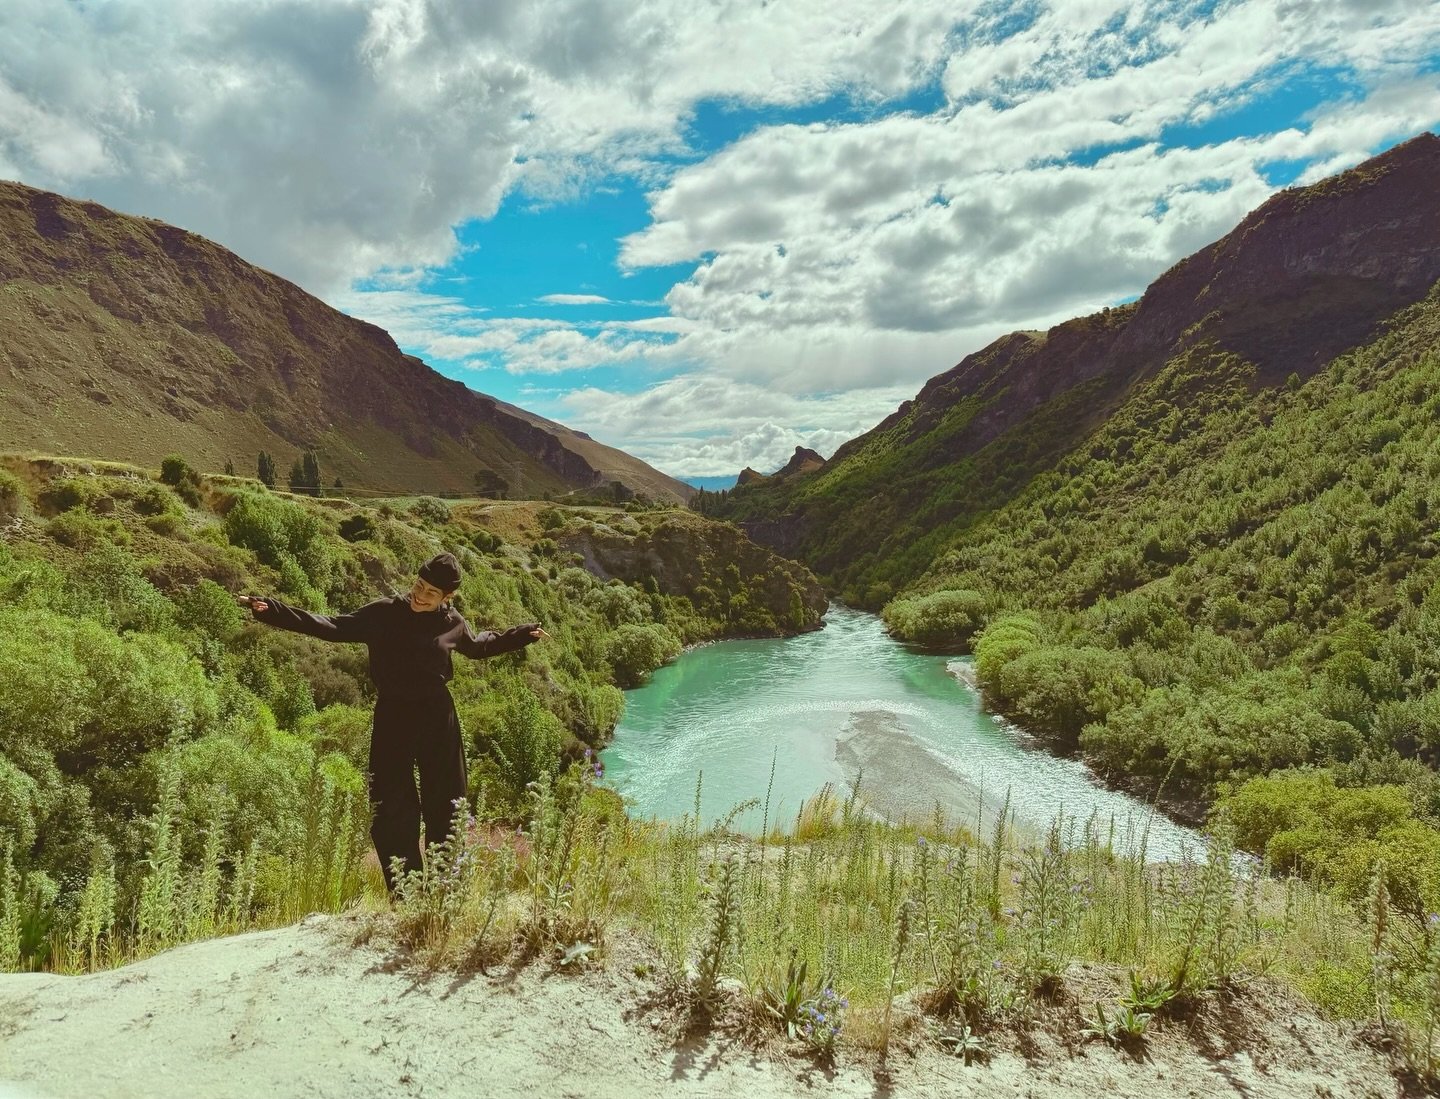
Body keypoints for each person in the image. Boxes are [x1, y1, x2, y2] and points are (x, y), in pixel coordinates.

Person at [236, 552, 547, 894]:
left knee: (446, 805)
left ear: (448, 597)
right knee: (390, 807)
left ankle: (446, 891)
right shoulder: (384, 613)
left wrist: (521, 635)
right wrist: (274, 610)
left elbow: (478, 647)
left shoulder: (452, 622)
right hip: (393, 716)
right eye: (419, 585)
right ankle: (407, 892)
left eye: (431, 592)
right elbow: (332, 626)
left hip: (437, 716)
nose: (420, 594)